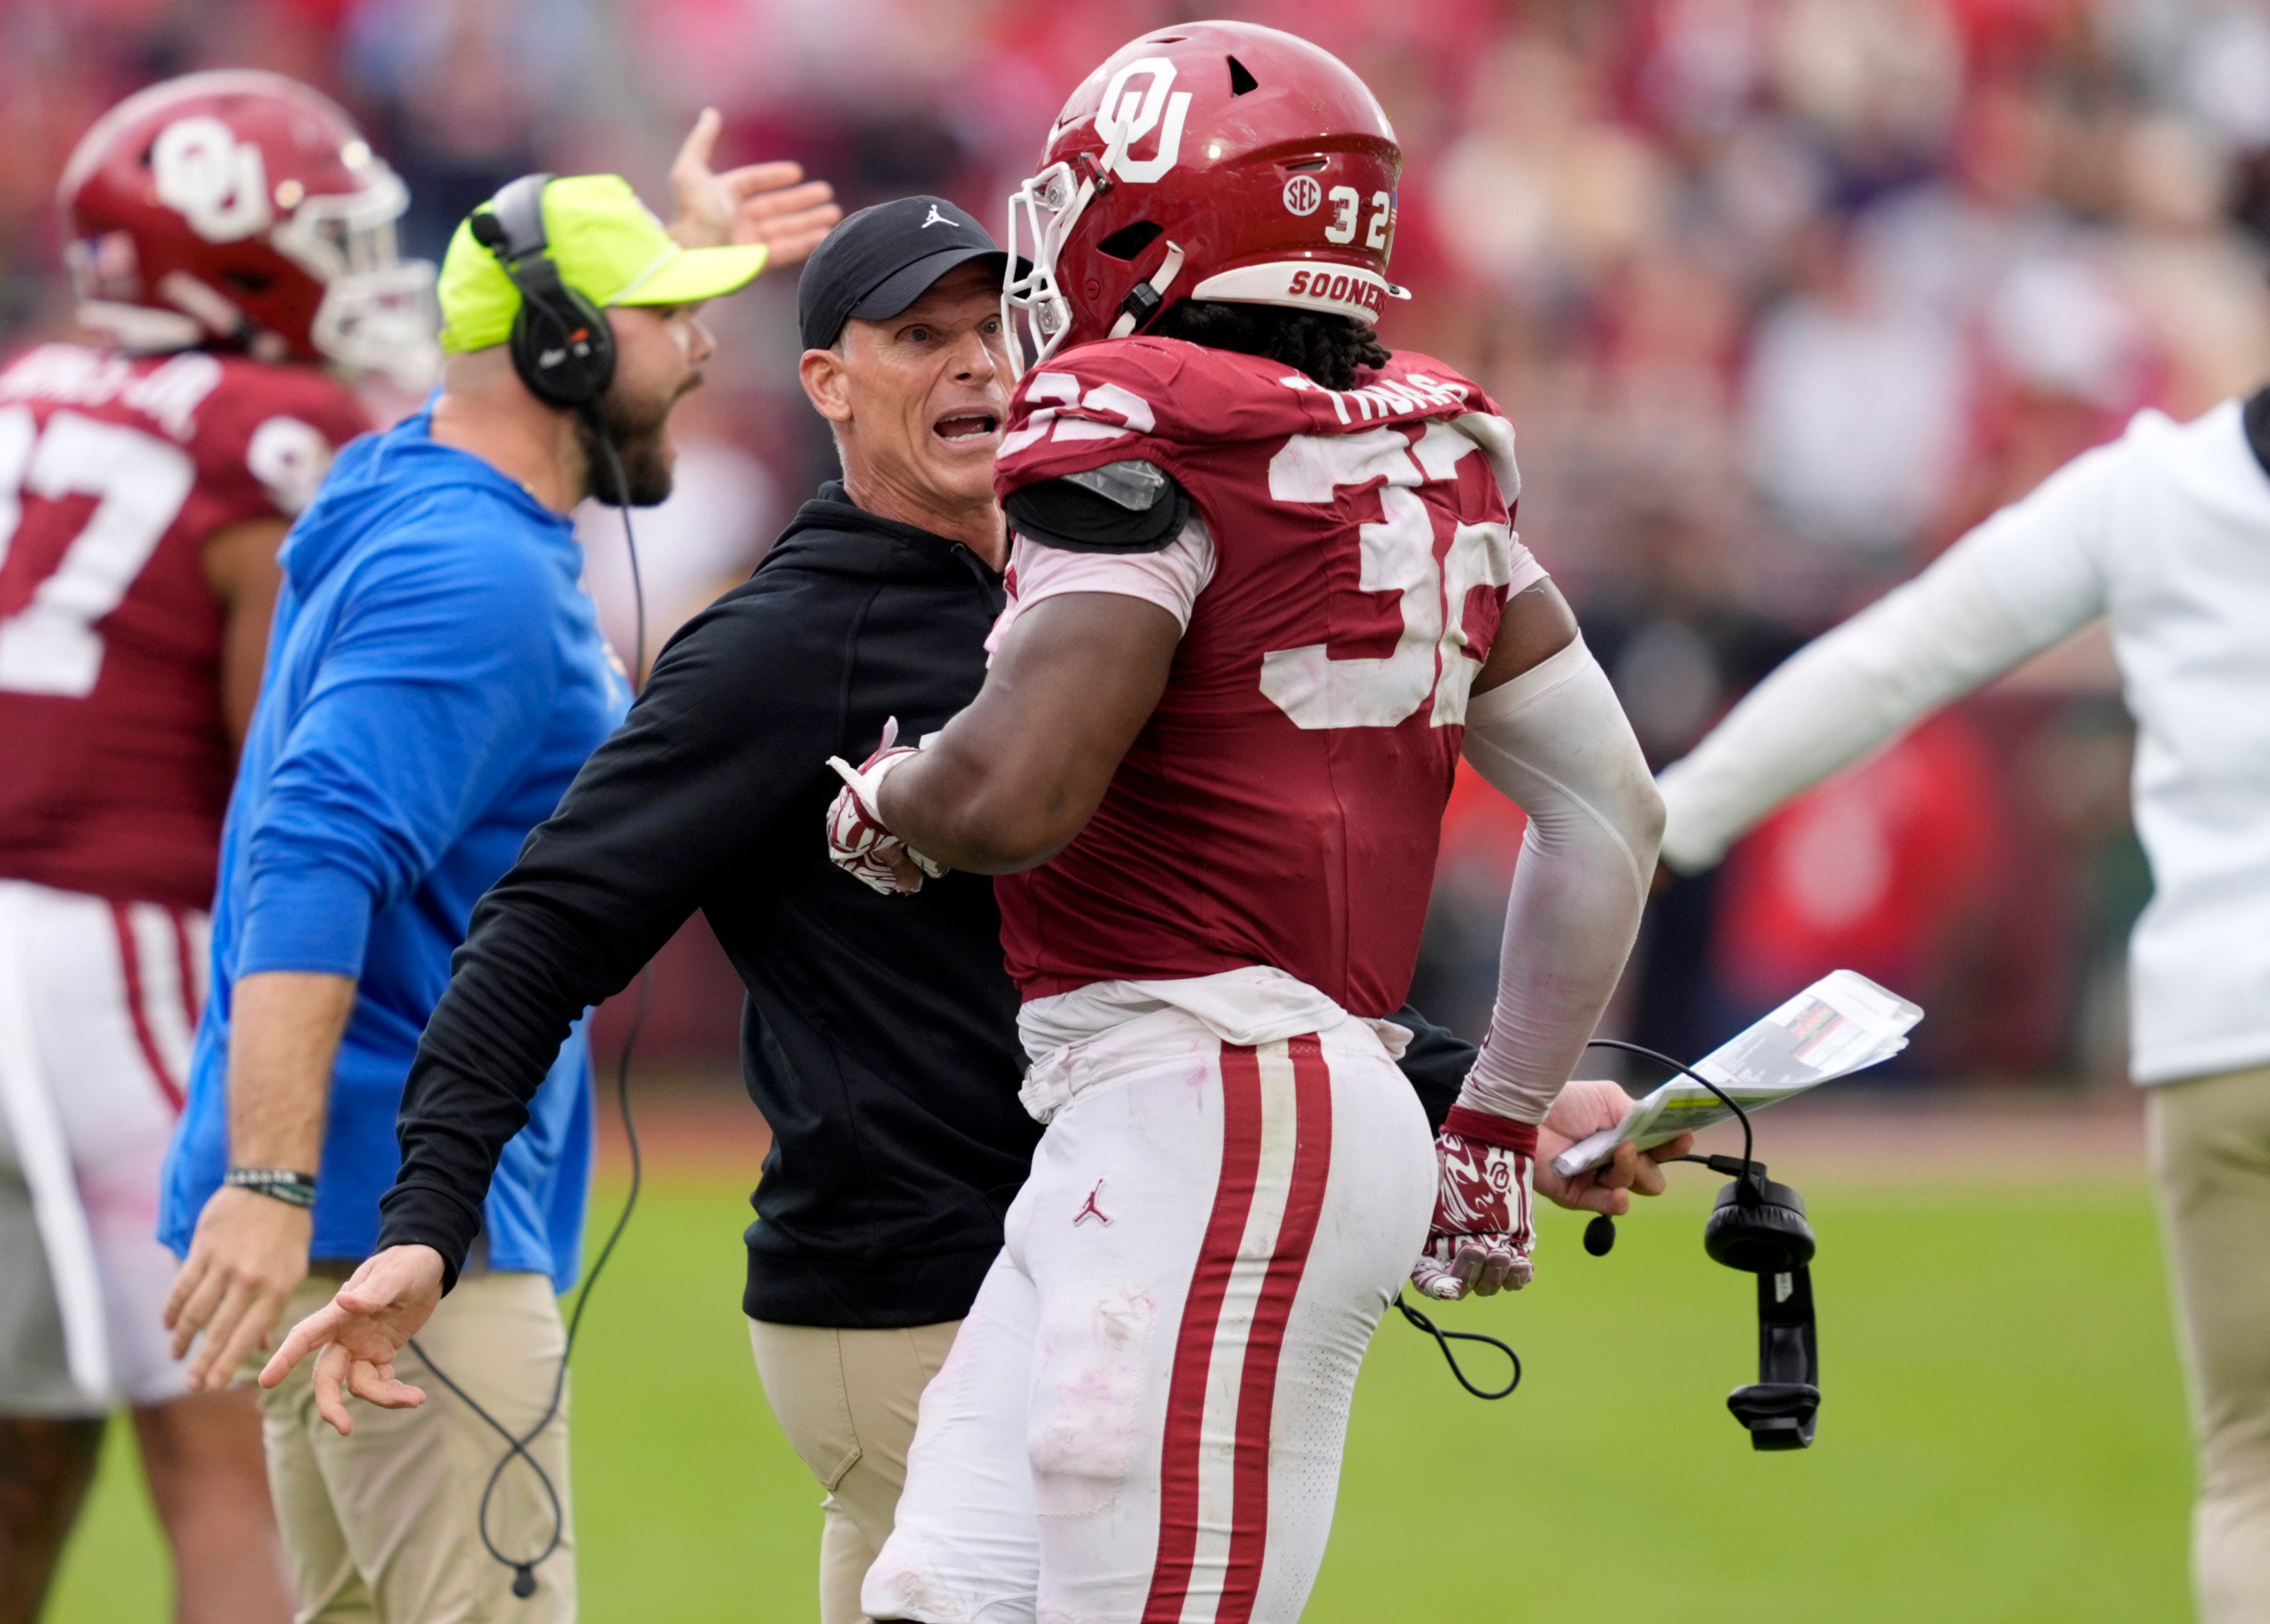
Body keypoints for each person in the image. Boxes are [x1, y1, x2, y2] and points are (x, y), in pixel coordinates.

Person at [253, 194, 1676, 1624]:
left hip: (1065, 1235)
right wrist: (427, 1218)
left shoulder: (1101, 598)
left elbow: (1180, 956)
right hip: (927, 1276)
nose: (980, 365)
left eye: (999, 326)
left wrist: (1469, 1090)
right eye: (920, 336)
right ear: (829, 384)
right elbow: (542, 928)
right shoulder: (786, 643)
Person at [822, 23, 1664, 1620]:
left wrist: (893, 803)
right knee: (933, 1595)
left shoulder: (1133, 418)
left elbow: (1019, 784)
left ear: (1143, 222)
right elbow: (1609, 811)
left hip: (1223, 1106)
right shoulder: (1423, 456)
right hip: (1172, 1113)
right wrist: (1492, 1118)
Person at [153, 145, 836, 1624]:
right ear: (565, 345)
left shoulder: (405, 479)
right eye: (669, 318)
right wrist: (275, 1179)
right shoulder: (476, 570)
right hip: (405, 1233)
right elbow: (316, 849)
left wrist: (677, 245)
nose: (708, 352)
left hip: (353, 1205)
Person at [0, 70, 425, 1624]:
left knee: (13, 1478)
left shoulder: (27, 386)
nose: (351, 271)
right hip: (115, 951)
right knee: (225, 1467)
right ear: (233, 256)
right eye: (325, 236)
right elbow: (284, 759)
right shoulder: (280, 429)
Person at [1654, 359, 2270, 1622]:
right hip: (2215, 1025)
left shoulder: (2148, 491)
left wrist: (1660, 827)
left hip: (2223, 1033)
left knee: (2254, 1478)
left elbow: (1889, 663)